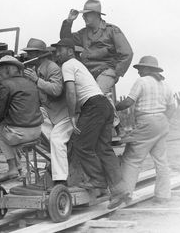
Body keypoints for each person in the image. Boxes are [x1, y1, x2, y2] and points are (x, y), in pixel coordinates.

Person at [52, 38, 129, 209]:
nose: (57, 54)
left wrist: (72, 116)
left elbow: (71, 92)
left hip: (93, 106)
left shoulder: (67, 65)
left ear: (70, 51)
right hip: (104, 106)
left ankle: (98, 180)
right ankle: (120, 190)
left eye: (60, 50)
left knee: (81, 145)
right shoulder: (78, 65)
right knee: (104, 149)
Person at [60, 0, 133, 133]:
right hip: (89, 73)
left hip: (106, 70)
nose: (83, 17)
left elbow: (127, 53)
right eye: (83, 15)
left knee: (97, 95)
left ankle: (118, 126)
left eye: (87, 14)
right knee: (86, 97)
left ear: (97, 15)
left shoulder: (112, 30)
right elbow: (65, 41)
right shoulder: (83, 33)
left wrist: (116, 73)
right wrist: (69, 21)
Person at [116, 56, 175, 203]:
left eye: (141, 68)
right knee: (161, 161)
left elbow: (129, 101)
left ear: (148, 69)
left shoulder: (142, 81)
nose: (138, 72)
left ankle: (125, 196)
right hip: (161, 121)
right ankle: (163, 196)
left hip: (146, 121)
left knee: (131, 158)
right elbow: (172, 107)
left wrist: (113, 107)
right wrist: (164, 120)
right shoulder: (165, 84)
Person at [22, 38, 73, 185]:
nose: (27, 56)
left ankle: (61, 180)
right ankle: (61, 162)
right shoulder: (35, 69)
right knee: (35, 123)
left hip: (64, 115)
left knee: (57, 141)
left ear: (39, 54)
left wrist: (36, 80)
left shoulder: (52, 68)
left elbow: (56, 90)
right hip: (51, 114)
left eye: (30, 53)